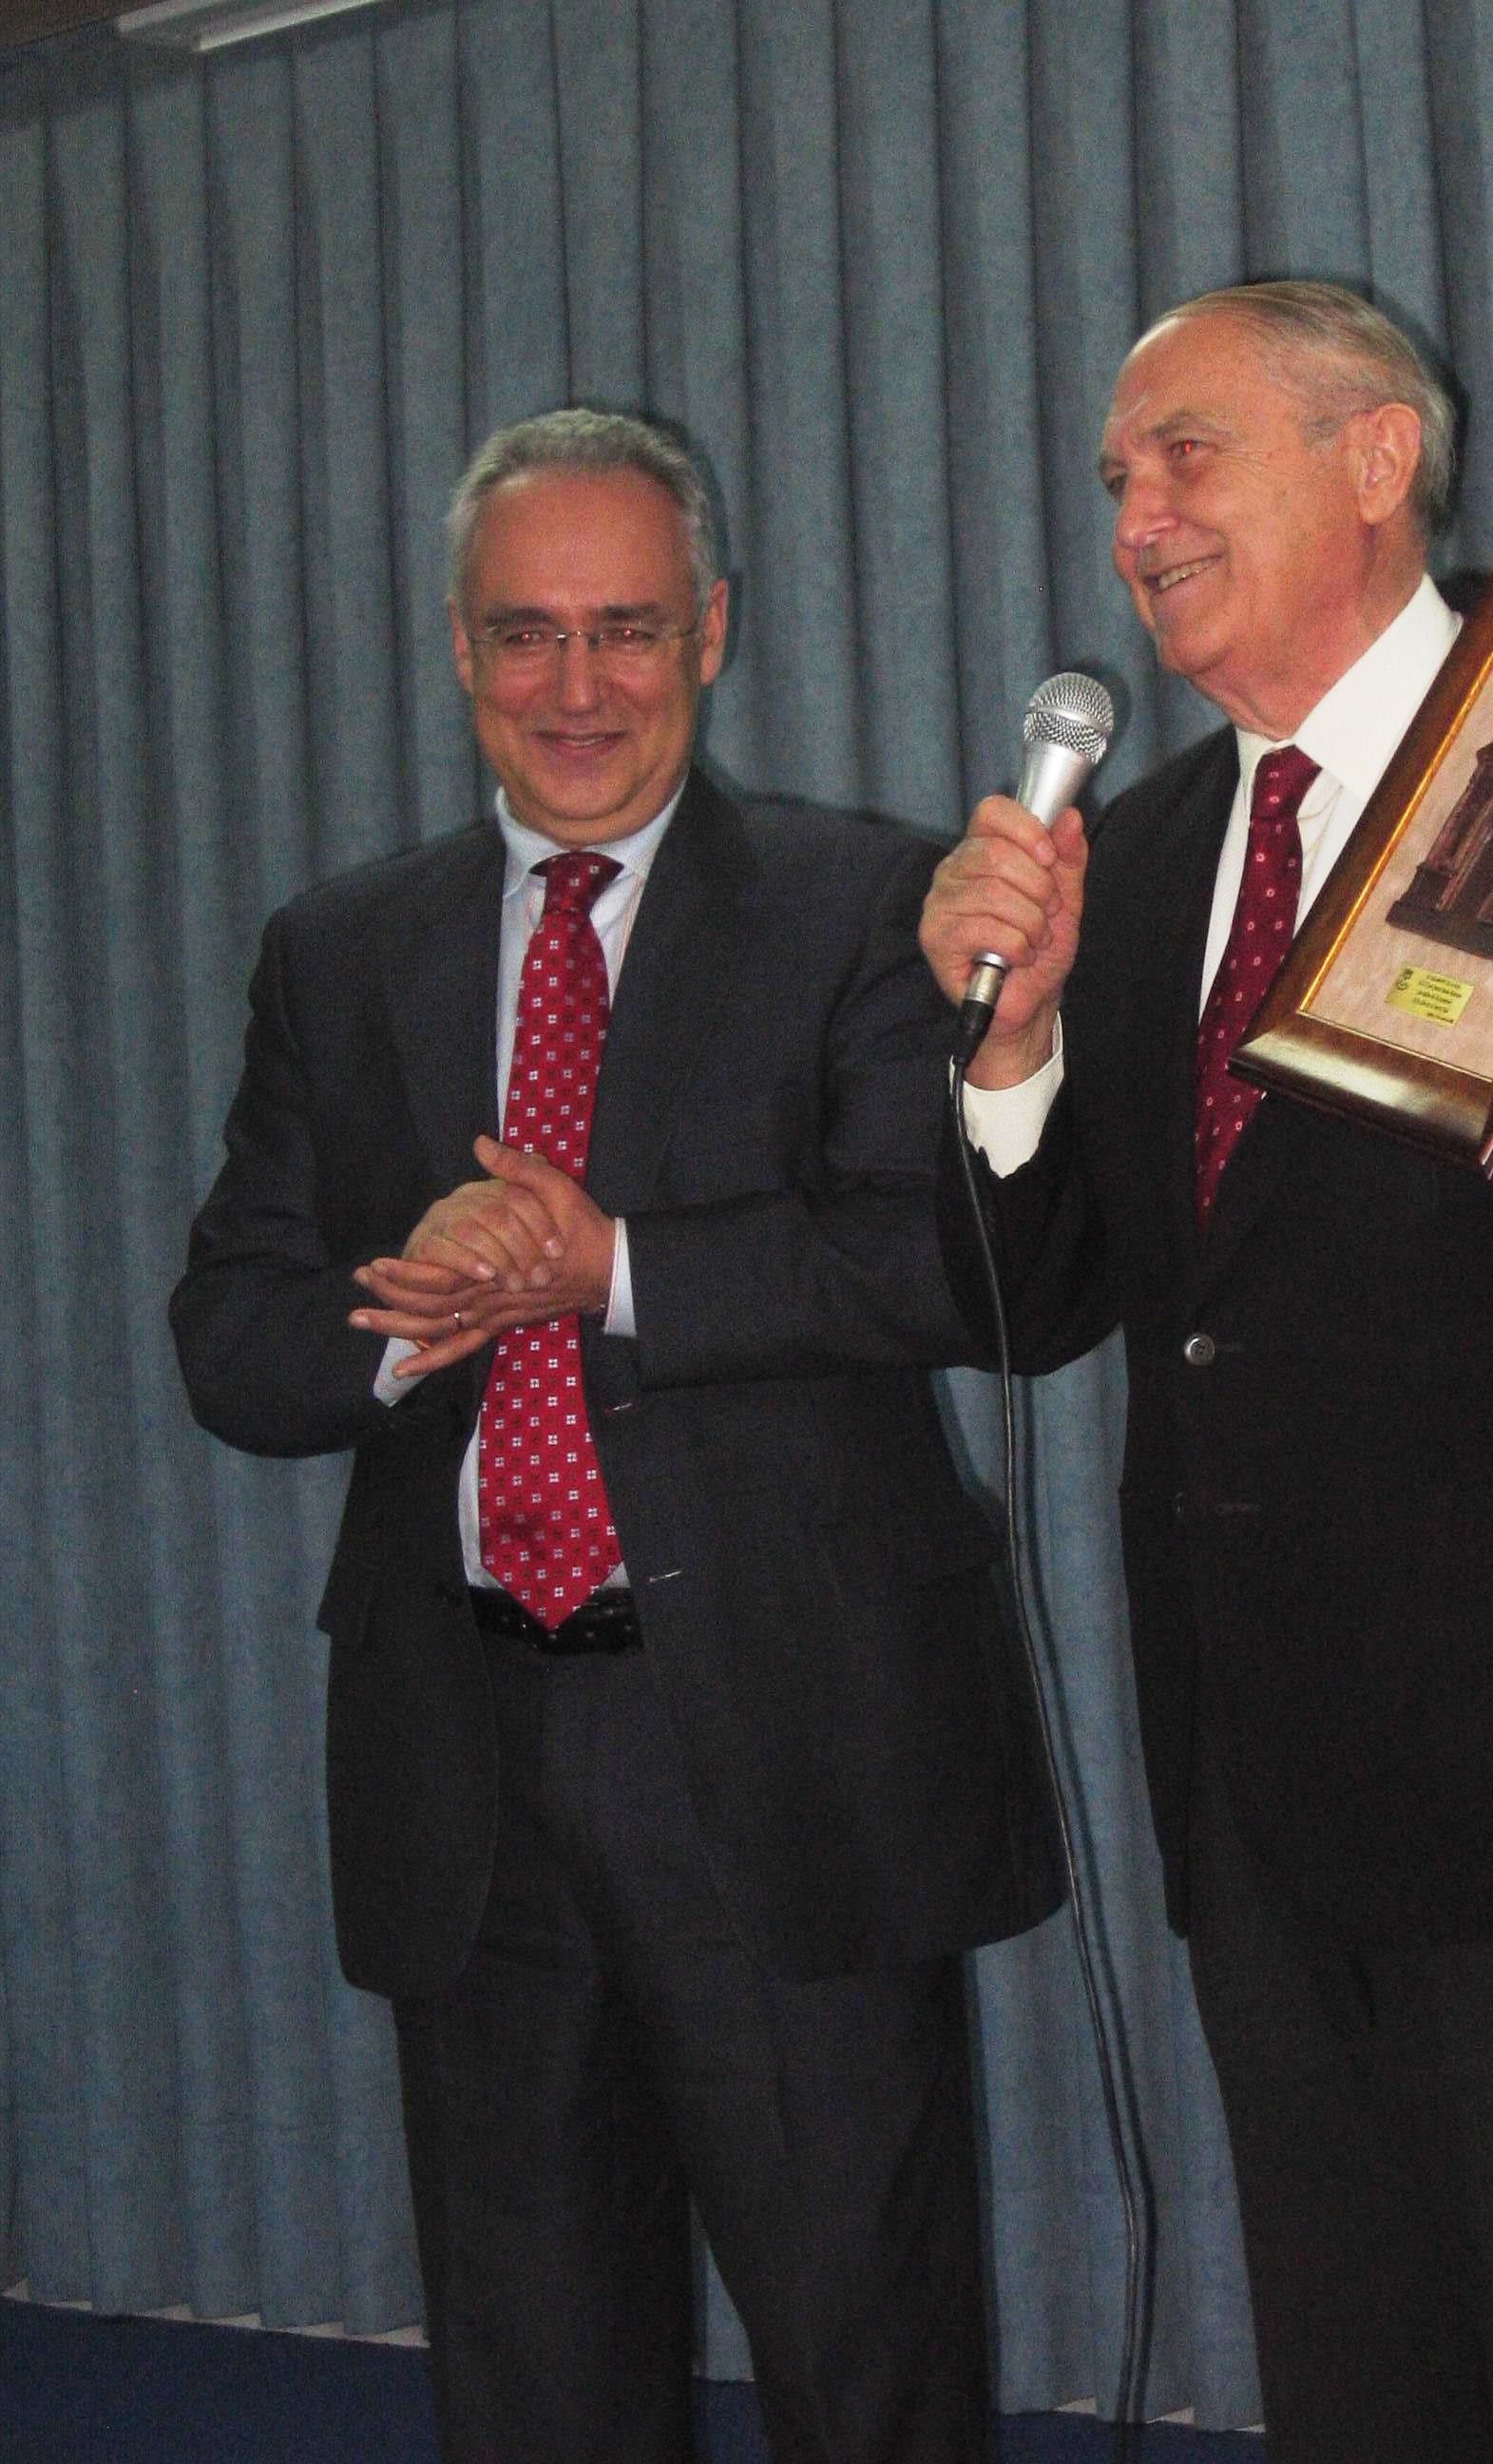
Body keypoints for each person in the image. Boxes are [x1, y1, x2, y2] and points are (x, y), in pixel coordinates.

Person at [920, 281, 1493, 2462]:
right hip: (1259, 1792)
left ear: (1376, 460)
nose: (1136, 521)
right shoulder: (1141, 857)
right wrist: (1015, 1049)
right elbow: (1033, 1304)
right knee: (1362, 2391)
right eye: (1115, 480)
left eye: (1186, 455)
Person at [171, 406, 1061, 2464]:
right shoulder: (340, 950)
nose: (576, 687)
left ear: (712, 632)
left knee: (866, 2371)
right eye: (526, 633)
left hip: (783, 1753)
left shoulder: (865, 906)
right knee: (535, 2387)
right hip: (465, 1764)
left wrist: (614, 1268)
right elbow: (230, 1336)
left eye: (627, 630)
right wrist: (409, 1313)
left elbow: (934, 1269)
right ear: (458, 647)